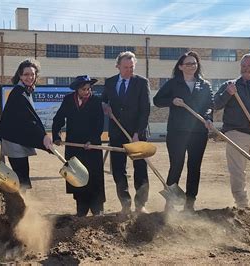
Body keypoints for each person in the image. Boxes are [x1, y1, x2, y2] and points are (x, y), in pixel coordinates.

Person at [153, 51, 214, 212]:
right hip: (177, 132)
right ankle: (170, 203)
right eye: (188, 64)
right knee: (176, 166)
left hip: (198, 132)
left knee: (194, 167)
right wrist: (172, 101)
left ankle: (190, 203)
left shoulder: (204, 85)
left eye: (194, 63)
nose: (192, 66)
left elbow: (209, 104)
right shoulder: (173, 84)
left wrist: (208, 118)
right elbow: (157, 100)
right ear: (180, 66)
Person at [101, 51, 151, 214]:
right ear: (118, 66)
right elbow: (103, 100)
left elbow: (145, 110)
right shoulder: (109, 82)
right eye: (125, 67)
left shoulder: (142, 83)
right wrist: (105, 107)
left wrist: (138, 132)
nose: (129, 70)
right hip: (116, 133)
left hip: (137, 134)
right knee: (118, 170)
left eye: (132, 67)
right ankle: (125, 204)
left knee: (140, 168)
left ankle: (140, 204)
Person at [0, 58, 53, 191]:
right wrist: (43, 136)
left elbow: (30, 118)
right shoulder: (19, 93)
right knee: (20, 177)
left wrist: (43, 137)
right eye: (26, 74)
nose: (30, 77)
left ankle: (18, 208)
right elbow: (31, 119)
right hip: (13, 140)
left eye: (32, 74)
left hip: (17, 138)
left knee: (22, 176)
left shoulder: (26, 91)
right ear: (20, 75)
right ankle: (18, 209)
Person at [52, 75, 105, 216]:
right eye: (83, 89)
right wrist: (56, 136)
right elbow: (58, 118)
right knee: (77, 176)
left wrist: (92, 141)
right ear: (77, 89)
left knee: (94, 177)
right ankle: (81, 208)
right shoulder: (68, 100)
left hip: (92, 147)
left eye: (88, 89)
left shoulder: (96, 101)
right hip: (74, 146)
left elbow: (99, 124)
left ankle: (97, 208)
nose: (87, 91)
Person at [214, 53, 250, 209]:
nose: (245, 68)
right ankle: (241, 204)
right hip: (237, 133)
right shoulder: (230, 85)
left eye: (249, 65)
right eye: (243, 65)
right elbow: (215, 104)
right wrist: (228, 93)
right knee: (238, 171)